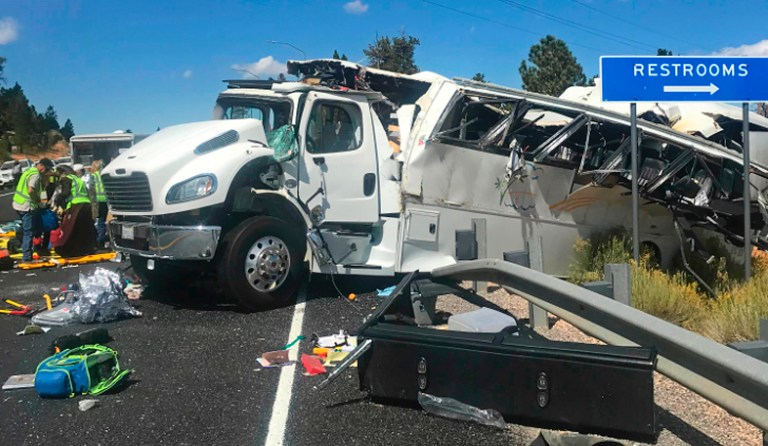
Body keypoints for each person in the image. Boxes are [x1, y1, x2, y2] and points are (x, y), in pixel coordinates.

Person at [12, 158, 54, 262]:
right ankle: (27, 257)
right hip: (27, 206)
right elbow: (31, 190)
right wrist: (38, 201)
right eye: (47, 169)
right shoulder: (35, 175)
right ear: (42, 166)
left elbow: (41, 190)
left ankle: (33, 248)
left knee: (30, 228)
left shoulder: (29, 171)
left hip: (18, 203)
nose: (47, 172)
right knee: (29, 231)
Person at [53, 165, 96, 258]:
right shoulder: (78, 179)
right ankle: (88, 249)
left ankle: (69, 250)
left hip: (76, 205)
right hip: (86, 204)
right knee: (84, 229)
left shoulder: (66, 179)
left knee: (70, 229)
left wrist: (58, 201)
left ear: (63, 173)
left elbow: (65, 193)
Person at [86, 160, 108, 248]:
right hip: (105, 201)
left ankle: (97, 241)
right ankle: (101, 241)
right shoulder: (104, 175)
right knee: (102, 221)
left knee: (96, 221)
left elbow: (90, 190)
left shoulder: (92, 176)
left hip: (96, 201)